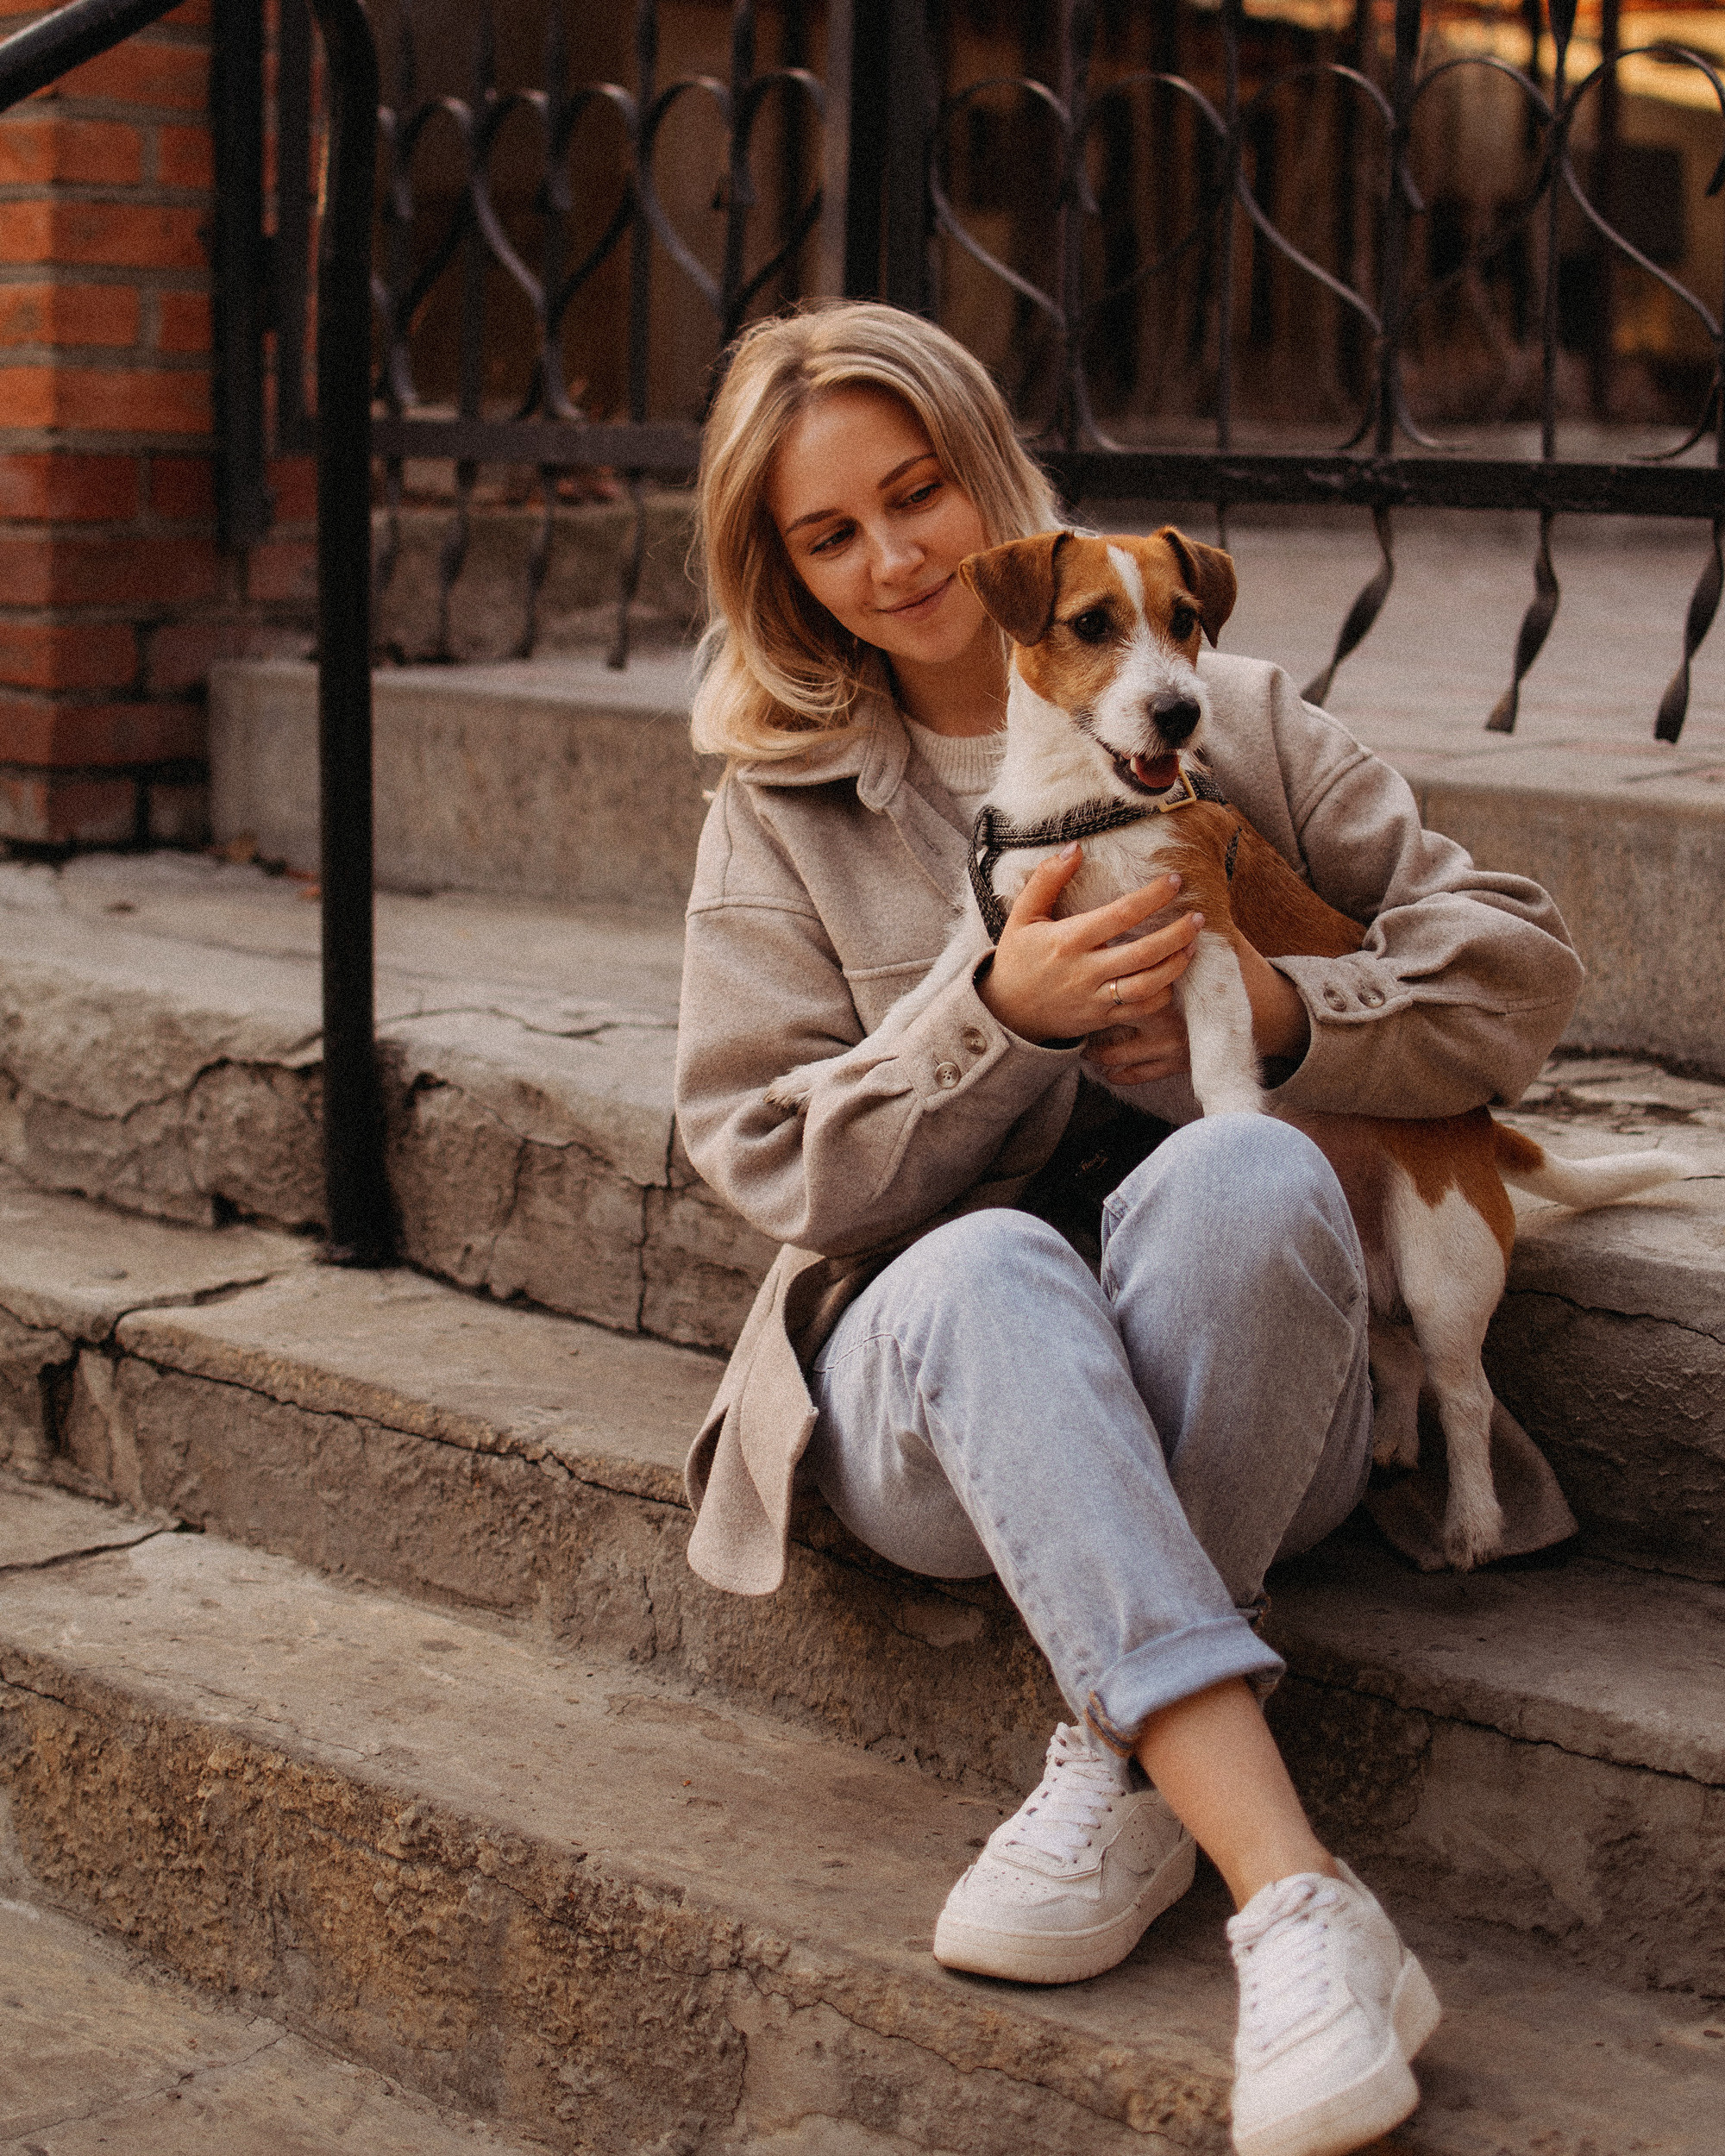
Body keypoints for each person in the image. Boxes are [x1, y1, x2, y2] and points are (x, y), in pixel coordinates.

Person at [673, 300, 1583, 2156]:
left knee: (1249, 1167)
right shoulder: (776, 816)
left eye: (916, 492)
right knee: (990, 1260)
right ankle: (1289, 1888)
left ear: (986, 471)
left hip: (1260, 1394)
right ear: (786, 575)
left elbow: (1517, 964)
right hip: (940, 1413)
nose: (893, 557)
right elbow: (761, 1156)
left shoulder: (1233, 719)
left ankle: (1125, 1758)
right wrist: (989, 1018)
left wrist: (1296, 1012)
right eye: (829, 535)